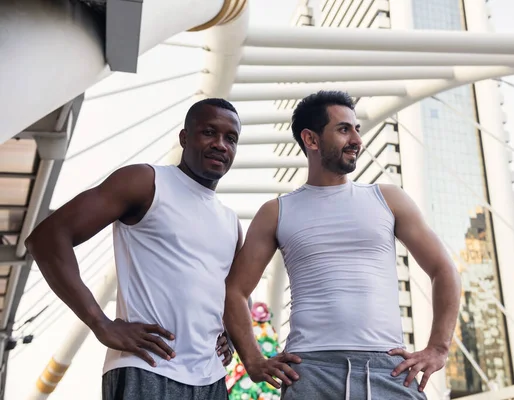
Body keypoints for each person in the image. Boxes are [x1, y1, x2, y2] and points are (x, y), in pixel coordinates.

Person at [223, 91, 462, 399]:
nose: (357, 140)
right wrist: (253, 360)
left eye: (357, 129)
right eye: (343, 129)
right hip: (310, 371)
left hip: (388, 369)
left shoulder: (388, 199)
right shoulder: (276, 212)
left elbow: (444, 269)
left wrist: (438, 349)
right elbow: (235, 290)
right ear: (311, 139)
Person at [25, 98, 244, 400]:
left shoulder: (231, 223)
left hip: (210, 379)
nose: (221, 144)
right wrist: (99, 323)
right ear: (184, 138)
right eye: (209, 133)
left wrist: (230, 337)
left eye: (230, 138)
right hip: (147, 368)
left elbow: (233, 296)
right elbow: (47, 237)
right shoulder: (146, 182)